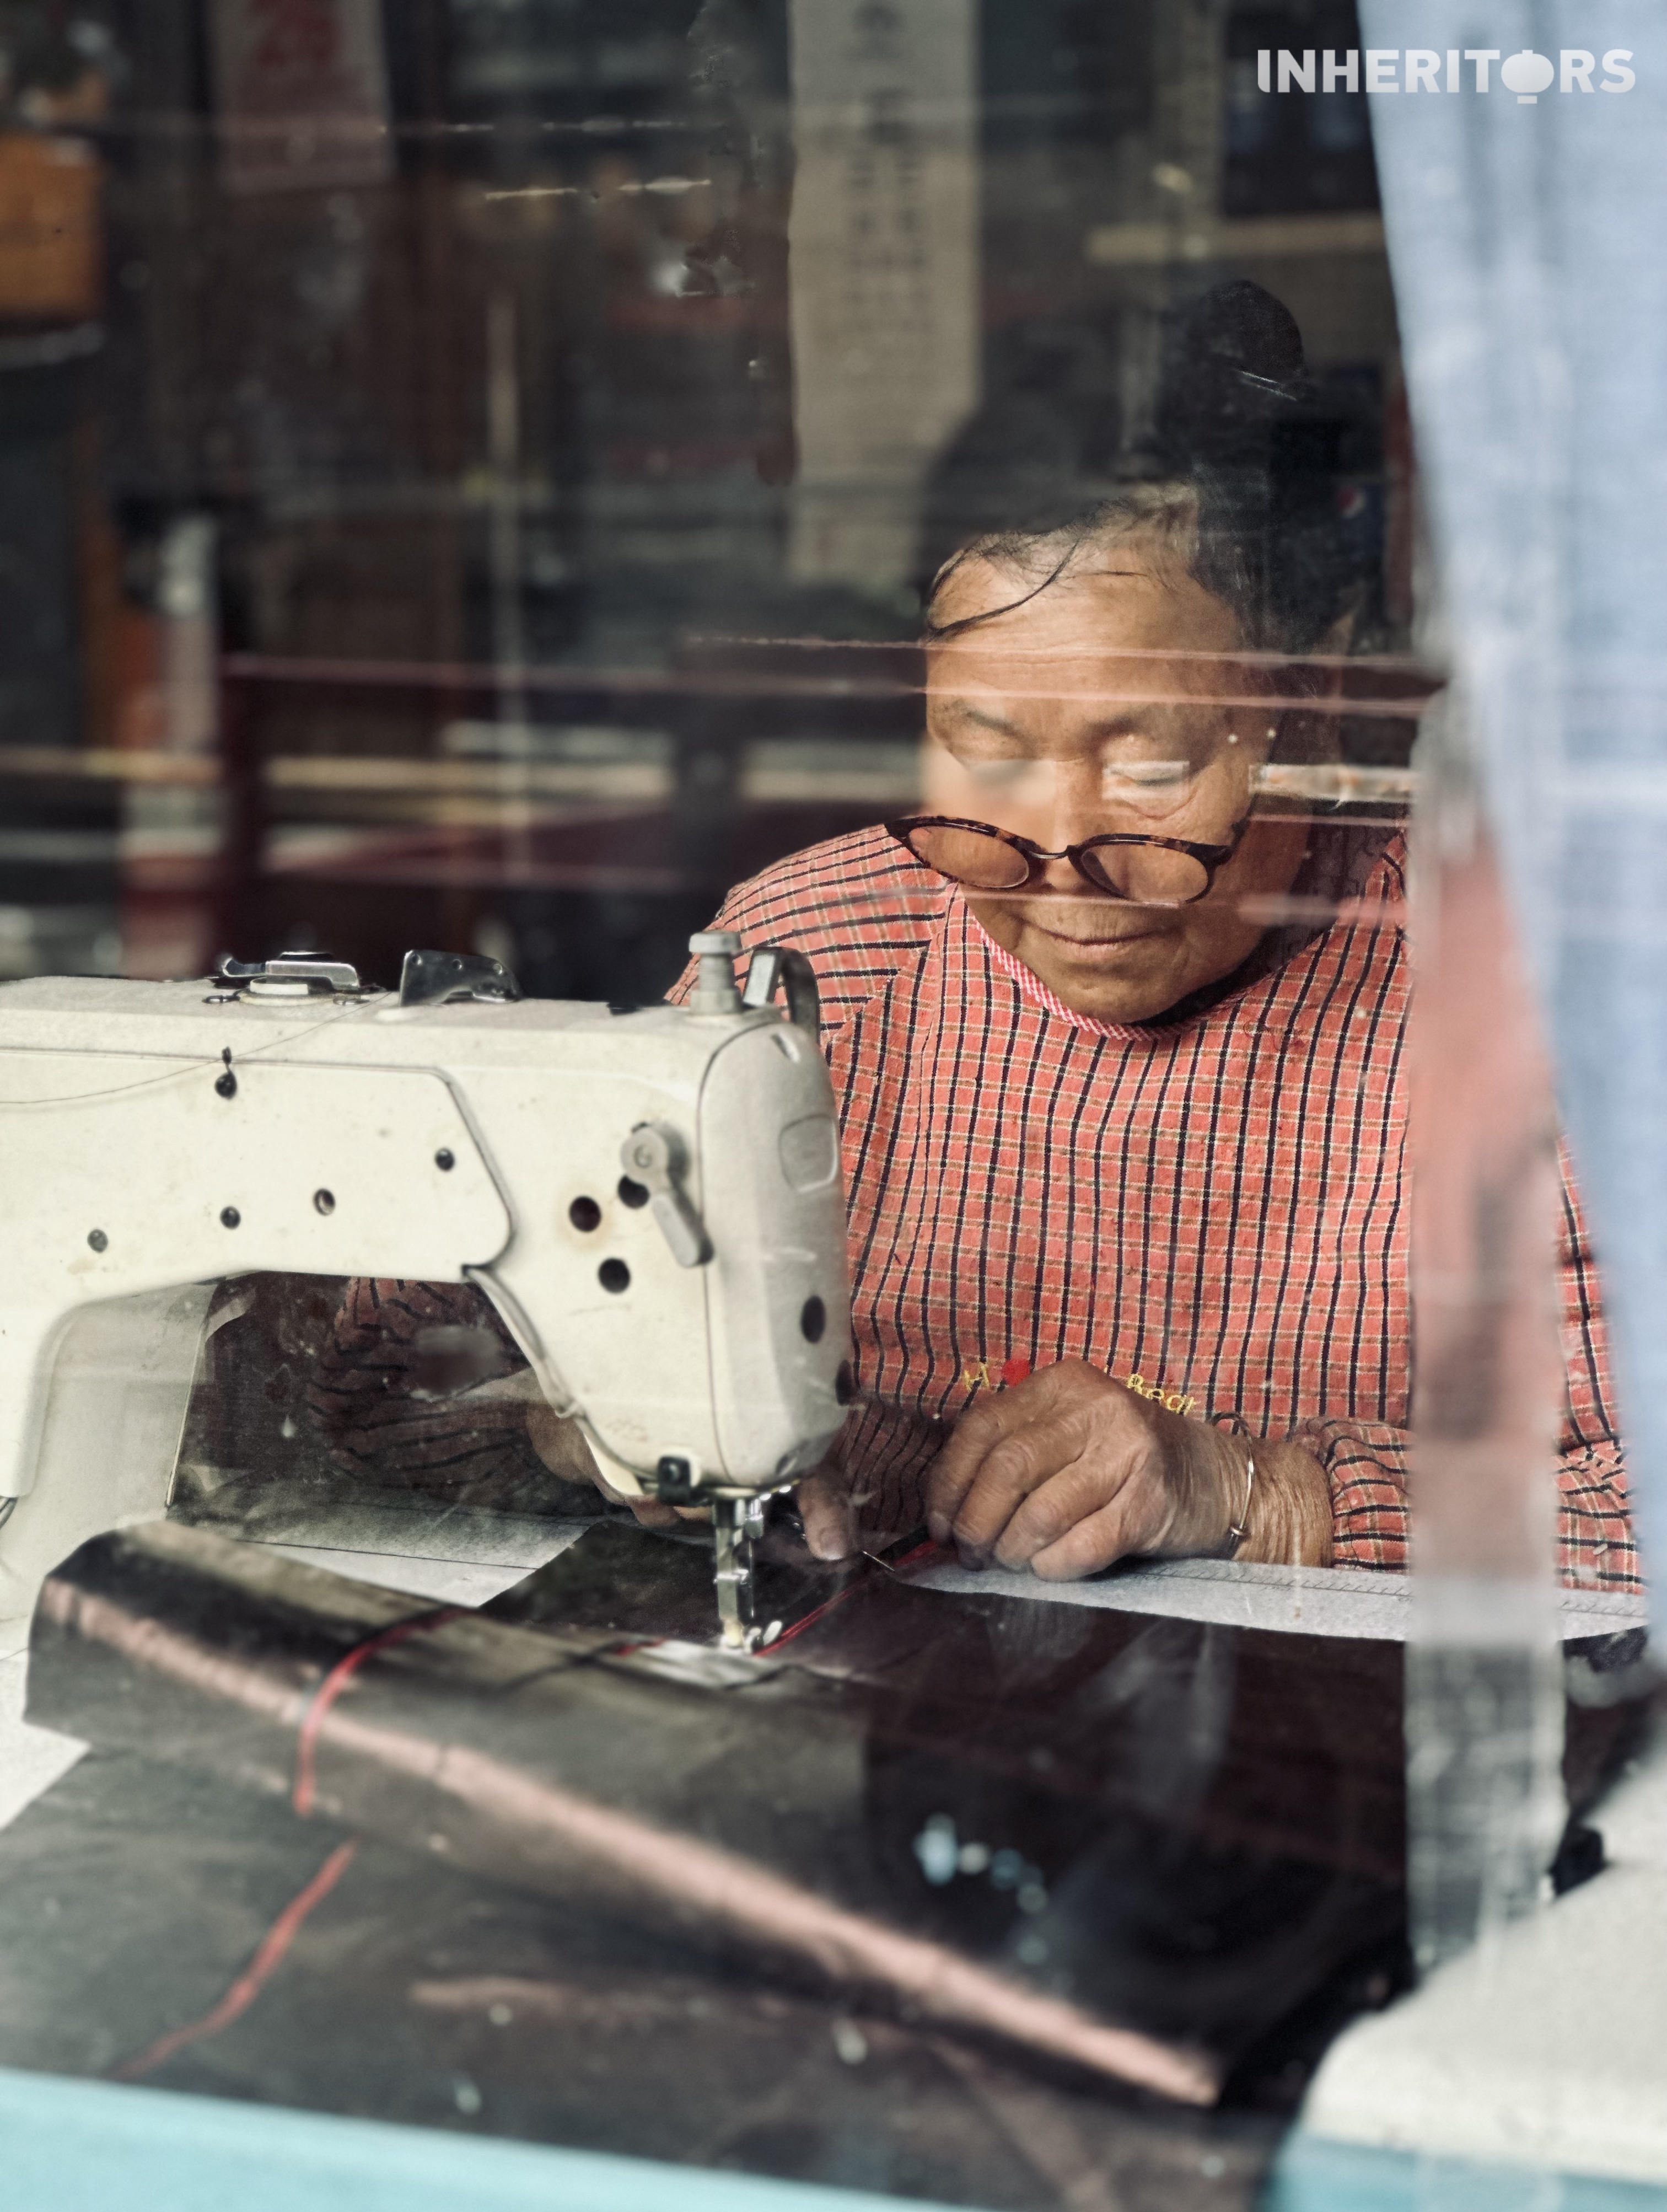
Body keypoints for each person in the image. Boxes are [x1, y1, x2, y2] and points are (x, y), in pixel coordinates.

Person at [310, 283, 1635, 1592]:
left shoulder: (1517, 1012)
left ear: (1317, 705)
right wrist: (597, 1424)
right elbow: (359, 1402)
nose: (1061, 855)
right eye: (983, 752)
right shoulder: (817, 961)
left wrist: (1258, 1489)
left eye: (1155, 765)